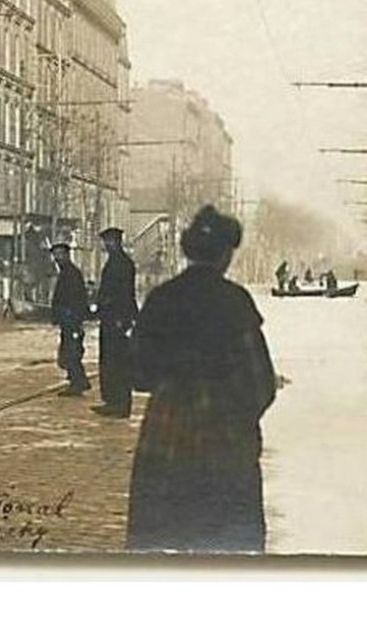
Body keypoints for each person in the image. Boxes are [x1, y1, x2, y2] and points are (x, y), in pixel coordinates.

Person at [126, 205, 279, 553]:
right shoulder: (235, 302)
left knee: (160, 542)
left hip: (167, 437)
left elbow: (138, 372)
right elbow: (261, 383)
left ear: (188, 250)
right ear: (225, 254)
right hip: (226, 442)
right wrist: (235, 419)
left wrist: (173, 387)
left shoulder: (161, 298)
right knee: (229, 547)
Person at [92, 227, 138, 419]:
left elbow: (124, 294)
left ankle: (119, 403)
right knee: (110, 360)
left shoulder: (122, 264)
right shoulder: (115, 262)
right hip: (111, 318)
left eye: (110, 241)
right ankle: (112, 400)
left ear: (118, 242)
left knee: (117, 362)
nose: (108, 245)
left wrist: (123, 318)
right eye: (106, 242)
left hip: (117, 319)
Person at [50, 242, 90, 396]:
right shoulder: (66, 273)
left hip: (72, 320)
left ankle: (78, 382)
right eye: (55, 255)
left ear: (67, 255)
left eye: (60, 254)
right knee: (68, 352)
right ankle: (77, 380)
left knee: (71, 352)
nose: (57, 258)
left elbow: (76, 299)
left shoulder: (71, 273)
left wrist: (73, 318)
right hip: (68, 320)